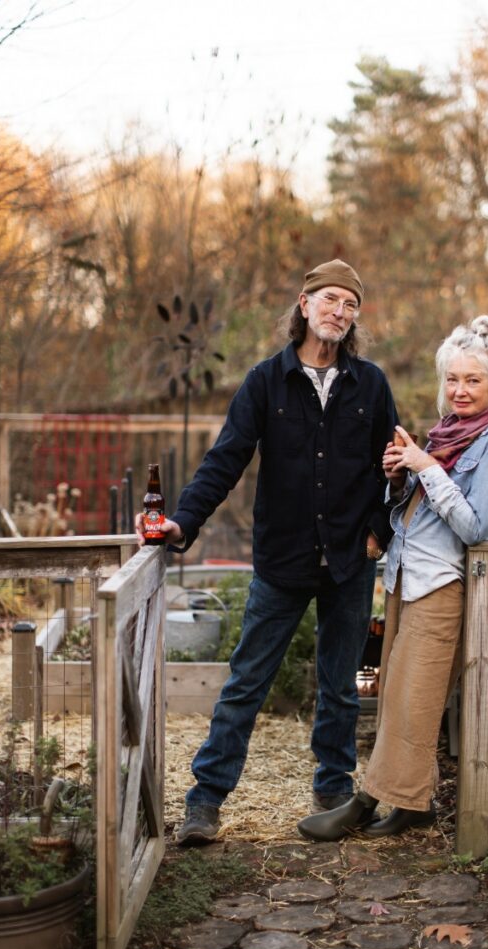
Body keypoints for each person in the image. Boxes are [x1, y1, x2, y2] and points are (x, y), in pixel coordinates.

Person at [136, 259, 397, 844]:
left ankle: (333, 792)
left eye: (350, 304)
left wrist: (379, 529)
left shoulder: (371, 384)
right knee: (246, 682)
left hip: (351, 561)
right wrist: (181, 521)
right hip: (283, 561)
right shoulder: (264, 381)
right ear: (304, 306)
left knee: (340, 687)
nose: (340, 311)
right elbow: (225, 460)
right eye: (330, 299)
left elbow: (393, 467)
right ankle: (205, 802)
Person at [297, 314, 488, 842]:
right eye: (452, 379)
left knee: (415, 699)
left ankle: (369, 801)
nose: (460, 390)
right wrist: (399, 479)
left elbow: (475, 527)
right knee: (399, 694)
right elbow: (419, 516)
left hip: (445, 586)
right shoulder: (446, 435)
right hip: (404, 579)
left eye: (473, 380)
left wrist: (426, 468)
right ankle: (408, 804)